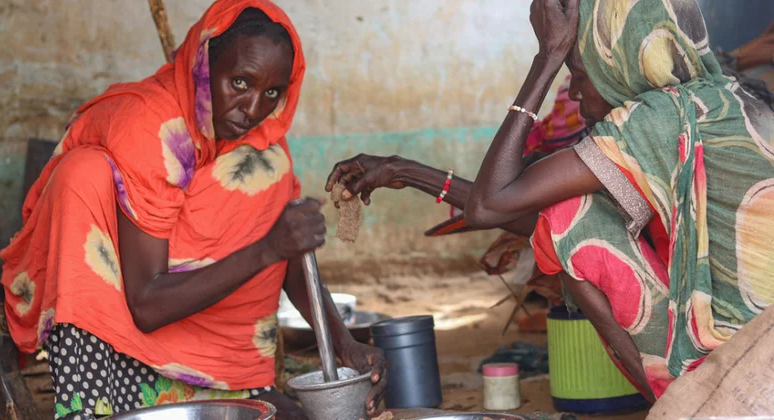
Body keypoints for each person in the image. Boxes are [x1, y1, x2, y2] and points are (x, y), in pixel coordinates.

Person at [328, 0, 774, 403]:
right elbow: (521, 211)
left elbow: (493, 206)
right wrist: (402, 170)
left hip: (749, 371)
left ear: (617, 65)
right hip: (758, 348)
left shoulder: (657, 118)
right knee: (569, 212)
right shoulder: (721, 101)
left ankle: (685, 405)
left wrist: (546, 60)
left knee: (571, 219)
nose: (574, 92)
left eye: (579, 74)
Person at [0, 1, 386, 419]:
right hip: (121, 354)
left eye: (272, 92)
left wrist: (344, 343)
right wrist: (268, 248)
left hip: (221, 364)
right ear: (203, 64)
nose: (253, 109)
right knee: (83, 173)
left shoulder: (262, 144)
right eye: (239, 82)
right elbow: (146, 307)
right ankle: (91, 409)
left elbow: (293, 266)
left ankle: (234, 390)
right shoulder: (149, 126)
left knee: (264, 166)